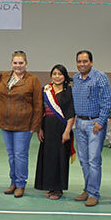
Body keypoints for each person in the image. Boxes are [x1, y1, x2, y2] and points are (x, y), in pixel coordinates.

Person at [0, 51, 42, 198]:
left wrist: (34, 126)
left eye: (21, 63)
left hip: (24, 125)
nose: (18, 66)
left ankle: (21, 184)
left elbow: (38, 105)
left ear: (26, 64)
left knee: (20, 155)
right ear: (11, 63)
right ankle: (13, 182)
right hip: (5, 123)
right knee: (11, 155)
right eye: (15, 63)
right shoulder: (3, 77)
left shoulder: (33, 80)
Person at [71, 50, 111, 207]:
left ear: (91, 62)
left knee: (94, 160)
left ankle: (94, 193)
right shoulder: (76, 78)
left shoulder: (100, 77)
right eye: (79, 61)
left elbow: (107, 101)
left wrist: (101, 122)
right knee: (83, 160)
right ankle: (87, 190)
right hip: (80, 123)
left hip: (95, 124)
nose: (82, 64)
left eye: (85, 61)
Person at [35, 64, 75, 200]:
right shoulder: (46, 90)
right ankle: (50, 187)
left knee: (60, 158)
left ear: (65, 76)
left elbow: (71, 113)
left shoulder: (69, 91)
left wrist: (67, 131)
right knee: (48, 158)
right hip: (47, 127)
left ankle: (58, 189)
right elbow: (40, 110)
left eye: (60, 74)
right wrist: (39, 128)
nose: (57, 76)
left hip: (62, 128)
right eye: (54, 74)